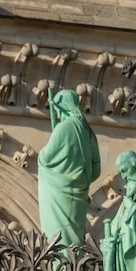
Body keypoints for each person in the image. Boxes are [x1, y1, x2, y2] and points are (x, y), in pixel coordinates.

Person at [37, 88, 100, 247]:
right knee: (74, 238)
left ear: (63, 107)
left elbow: (46, 158)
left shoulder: (64, 127)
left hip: (59, 194)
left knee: (58, 237)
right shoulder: (89, 132)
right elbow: (96, 171)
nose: (57, 114)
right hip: (79, 193)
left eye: (58, 110)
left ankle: (61, 262)